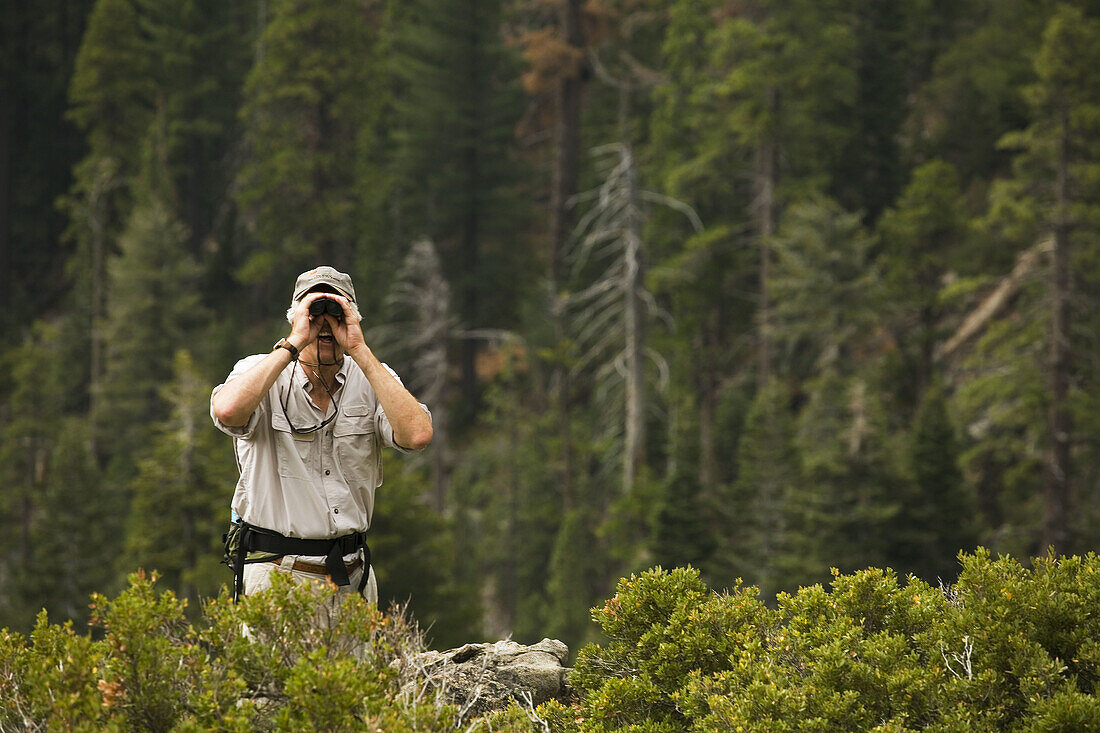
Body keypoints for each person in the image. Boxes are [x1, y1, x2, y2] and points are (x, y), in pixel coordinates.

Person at [210, 266, 433, 605]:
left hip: (352, 575)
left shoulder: (373, 378)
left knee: (359, 661)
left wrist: (359, 349)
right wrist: (295, 341)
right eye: (315, 314)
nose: (325, 324)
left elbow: (417, 435)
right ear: (295, 318)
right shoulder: (258, 372)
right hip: (276, 574)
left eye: (337, 314)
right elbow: (227, 412)